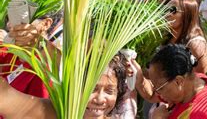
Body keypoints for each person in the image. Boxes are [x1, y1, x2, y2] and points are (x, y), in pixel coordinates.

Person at [0, 55, 128, 119]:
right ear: (74, 86)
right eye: (92, 89)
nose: (100, 99)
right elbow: (5, 98)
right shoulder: (54, 113)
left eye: (109, 91)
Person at [132, 44, 207, 119]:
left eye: (160, 88)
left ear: (178, 81)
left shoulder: (199, 113)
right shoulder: (197, 80)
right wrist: (141, 82)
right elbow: (152, 95)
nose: (158, 94)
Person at [166, 0, 207, 74]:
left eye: (172, 10)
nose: (167, 14)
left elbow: (201, 79)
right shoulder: (166, 38)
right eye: (165, 10)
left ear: (187, 14)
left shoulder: (196, 44)